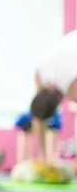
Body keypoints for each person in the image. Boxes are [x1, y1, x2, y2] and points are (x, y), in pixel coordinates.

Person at [29, 29, 77, 162]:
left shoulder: (72, 86)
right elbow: (39, 116)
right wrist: (42, 157)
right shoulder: (39, 75)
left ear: (58, 101)